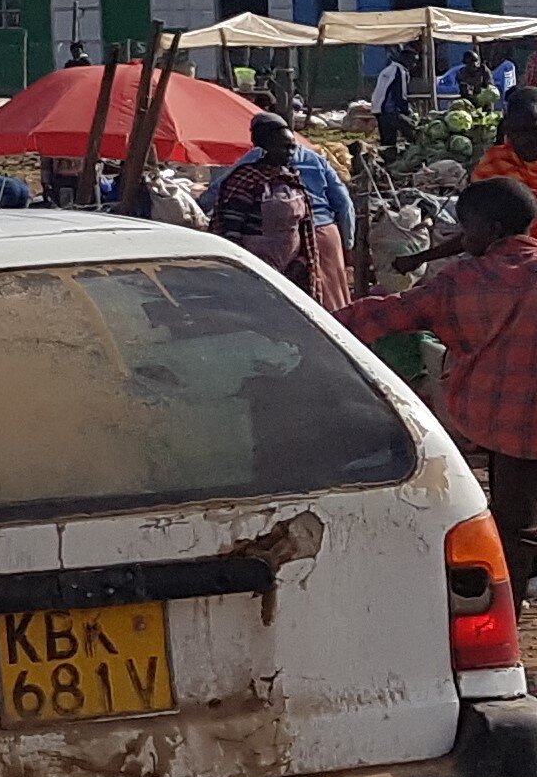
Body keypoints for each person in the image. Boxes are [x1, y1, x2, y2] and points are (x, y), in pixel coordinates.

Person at [339, 178, 537, 602]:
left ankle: (505, 624)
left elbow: (390, 315)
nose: (462, 238)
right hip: (516, 425)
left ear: (490, 228)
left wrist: (315, 320)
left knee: (514, 530)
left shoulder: (463, 282)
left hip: (514, 428)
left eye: (467, 229)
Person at [204, 116, 351, 309]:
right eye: (285, 147)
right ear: (265, 147)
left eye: (292, 146)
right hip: (258, 263)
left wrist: (300, 261)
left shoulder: (291, 179)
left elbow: (307, 223)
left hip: (303, 255)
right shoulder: (246, 177)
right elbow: (231, 226)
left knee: (321, 307)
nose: (292, 153)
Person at [473, 87, 537, 196]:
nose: (526, 139)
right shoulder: (494, 163)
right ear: (508, 129)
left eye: (534, 130)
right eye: (518, 130)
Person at [372, 52, 412, 153]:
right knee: (411, 133)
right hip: (389, 110)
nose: (414, 64)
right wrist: (406, 111)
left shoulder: (388, 69)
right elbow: (401, 94)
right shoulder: (400, 71)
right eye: (413, 60)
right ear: (406, 59)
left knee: (386, 141)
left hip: (378, 109)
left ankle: (386, 162)